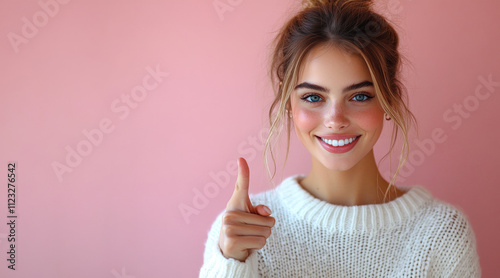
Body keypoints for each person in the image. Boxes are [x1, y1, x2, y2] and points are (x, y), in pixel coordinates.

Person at [199, 0, 481, 277]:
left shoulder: (442, 233)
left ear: (389, 101)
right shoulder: (242, 232)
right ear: (288, 104)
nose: (335, 119)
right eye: (312, 97)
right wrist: (232, 264)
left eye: (359, 96)